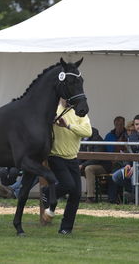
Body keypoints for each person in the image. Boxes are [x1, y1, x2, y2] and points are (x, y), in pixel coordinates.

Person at [42, 98, 92, 235]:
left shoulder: (79, 112)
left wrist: (68, 126)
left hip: (73, 158)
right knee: (69, 185)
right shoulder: (54, 110)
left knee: (76, 194)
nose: (67, 98)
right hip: (56, 156)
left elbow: (88, 131)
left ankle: (66, 228)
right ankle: (47, 192)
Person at [79, 127, 112, 203]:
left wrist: (82, 165)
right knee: (72, 168)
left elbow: (96, 158)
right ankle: (72, 195)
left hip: (103, 165)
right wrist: (77, 165)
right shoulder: (81, 139)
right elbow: (79, 155)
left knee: (89, 169)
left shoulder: (97, 139)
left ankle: (90, 197)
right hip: (87, 165)